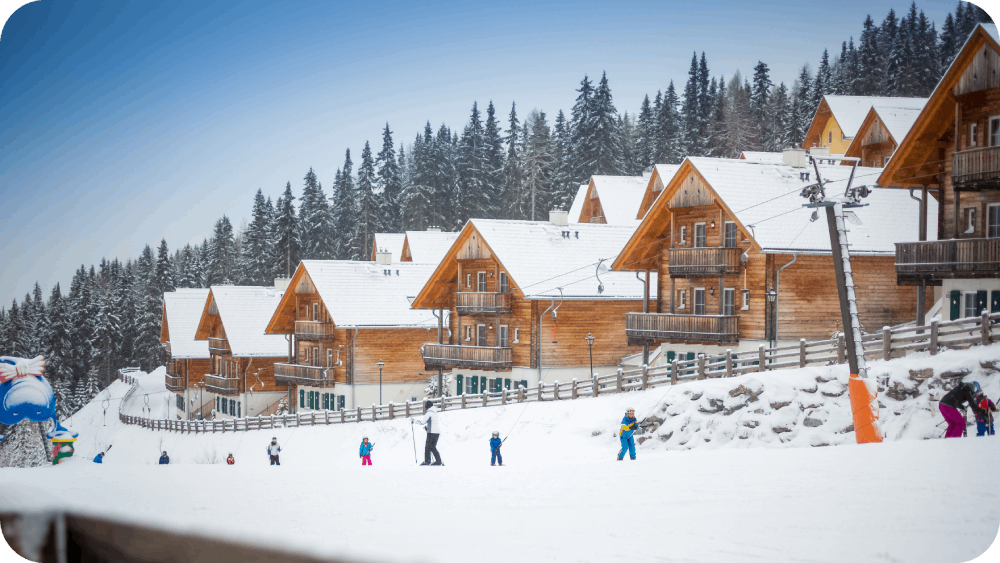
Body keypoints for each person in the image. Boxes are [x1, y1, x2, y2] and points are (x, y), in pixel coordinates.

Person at [412, 400, 443, 466]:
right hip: (436, 432)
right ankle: (437, 460)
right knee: (432, 446)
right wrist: (427, 428)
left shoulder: (429, 413)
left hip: (431, 433)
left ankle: (429, 461)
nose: (425, 409)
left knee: (428, 447)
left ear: (427, 407)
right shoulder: (435, 413)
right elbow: (432, 423)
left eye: (425, 408)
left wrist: (414, 421)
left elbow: (422, 422)